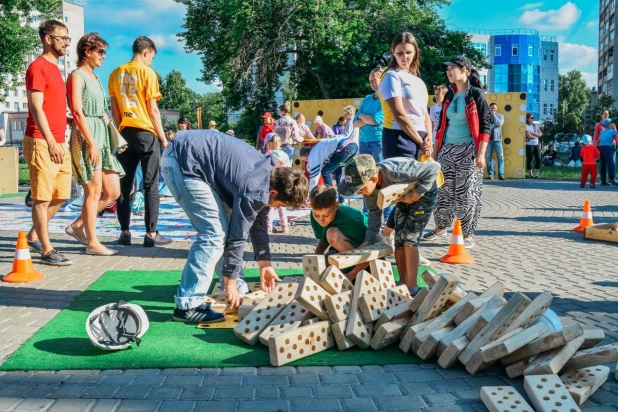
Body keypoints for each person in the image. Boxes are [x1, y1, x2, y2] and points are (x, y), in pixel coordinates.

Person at [161, 129, 308, 321]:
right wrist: (230, 284)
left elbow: (259, 225)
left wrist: (265, 265)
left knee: (224, 227)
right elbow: (237, 236)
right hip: (182, 161)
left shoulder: (267, 177)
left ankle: (232, 282)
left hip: (193, 157)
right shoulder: (254, 190)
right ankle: (188, 305)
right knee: (214, 235)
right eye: (280, 205)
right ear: (273, 193)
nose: (276, 208)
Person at [338, 155, 440, 295]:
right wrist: (368, 240)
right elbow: (374, 215)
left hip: (424, 195)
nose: (359, 193)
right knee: (398, 240)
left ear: (373, 178)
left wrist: (417, 193)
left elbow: (434, 168)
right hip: (403, 198)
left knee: (409, 239)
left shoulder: (398, 171)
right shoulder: (370, 193)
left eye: (360, 189)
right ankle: (403, 281)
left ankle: (412, 286)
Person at [109, 36, 172, 247]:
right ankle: (151, 234)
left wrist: (119, 134)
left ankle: (124, 232)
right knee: (150, 185)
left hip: (125, 132)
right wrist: (163, 139)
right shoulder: (148, 73)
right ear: (146, 52)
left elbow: (115, 109)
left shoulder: (115, 73)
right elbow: (153, 109)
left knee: (124, 185)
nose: (151, 61)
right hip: (146, 132)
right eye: (151, 57)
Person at [65, 33, 124, 256]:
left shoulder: (96, 78)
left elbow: (103, 112)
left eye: (104, 52)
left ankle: (77, 226)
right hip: (86, 135)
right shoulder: (77, 76)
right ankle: (92, 243)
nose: (103, 57)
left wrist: (117, 138)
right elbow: (78, 112)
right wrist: (91, 143)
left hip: (101, 135)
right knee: (94, 191)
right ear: (87, 52)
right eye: (100, 52)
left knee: (112, 191)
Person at [424, 55, 491, 249]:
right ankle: (441, 226)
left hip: (468, 149)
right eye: (447, 69)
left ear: (464, 70)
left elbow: (486, 125)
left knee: (465, 193)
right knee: (443, 191)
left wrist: (480, 153)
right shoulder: (450, 95)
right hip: (447, 149)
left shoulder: (476, 94)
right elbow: (441, 126)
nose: (448, 72)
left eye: (452, 68)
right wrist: (435, 154)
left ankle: (467, 233)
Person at [22, 20, 73, 266]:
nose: (66, 42)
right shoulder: (38, 67)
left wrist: (65, 120)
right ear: (48, 38)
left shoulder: (56, 69)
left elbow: (51, 106)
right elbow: (35, 107)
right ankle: (46, 249)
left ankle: (33, 235)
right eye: (62, 37)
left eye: (67, 38)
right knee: (42, 198)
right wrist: (51, 141)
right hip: (42, 141)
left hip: (59, 141)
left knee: (62, 195)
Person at [378, 32, 432, 161]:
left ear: (415, 52)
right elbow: (399, 115)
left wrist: (429, 138)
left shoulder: (418, 81)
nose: (404, 57)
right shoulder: (391, 76)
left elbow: (425, 115)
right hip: (399, 137)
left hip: (421, 139)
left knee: (422, 180)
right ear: (393, 52)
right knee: (402, 181)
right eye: (400, 53)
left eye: (408, 52)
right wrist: (421, 142)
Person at [310, 184, 368, 279]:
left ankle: (355, 272)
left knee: (332, 233)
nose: (321, 220)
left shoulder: (353, 219)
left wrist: (352, 275)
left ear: (336, 205)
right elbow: (323, 238)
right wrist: (316, 256)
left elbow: (373, 248)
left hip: (366, 258)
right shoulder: (314, 215)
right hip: (343, 252)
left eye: (326, 215)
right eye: (317, 215)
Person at [263, 133, 291, 234]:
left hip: (271, 183)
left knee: (270, 206)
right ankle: (285, 227)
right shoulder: (285, 155)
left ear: (268, 144)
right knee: (282, 206)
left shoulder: (268, 155)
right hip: (283, 182)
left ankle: (268, 227)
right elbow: (288, 169)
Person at [486, 103, 506, 180]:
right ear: (489, 108)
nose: (493, 110)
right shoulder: (486, 116)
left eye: (494, 108)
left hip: (498, 140)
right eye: (491, 108)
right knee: (488, 157)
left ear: (496, 109)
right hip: (488, 140)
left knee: (500, 157)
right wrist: (493, 126)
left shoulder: (500, 116)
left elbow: (499, 123)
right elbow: (486, 126)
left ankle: (501, 175)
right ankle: (491, 174)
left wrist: (494, 115)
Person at [598, 118, 618, 186]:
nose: (613, 124)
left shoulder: (602, 132)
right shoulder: (612, 131)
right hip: (607, 148)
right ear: (609, 125)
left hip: (601, 148)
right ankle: (612, 179)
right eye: (612, 122)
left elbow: (599, 140)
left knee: (602, 164)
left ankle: (603, 181)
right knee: (610, 163)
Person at [525, 113, 542, 178]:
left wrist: (535, 134)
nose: (533, 119)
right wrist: (536, 135)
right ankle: (530, 174)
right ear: (527, 118)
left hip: (536, 144)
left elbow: (540, 133)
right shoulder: (526, 126)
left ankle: (536, 174)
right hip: (529, 144)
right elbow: (528, 136)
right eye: (531, 118)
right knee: (530, 159)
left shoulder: (534, 126)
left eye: (533, 117)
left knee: (538, 158)